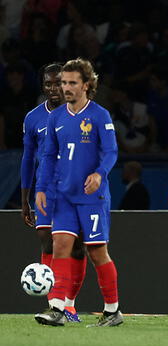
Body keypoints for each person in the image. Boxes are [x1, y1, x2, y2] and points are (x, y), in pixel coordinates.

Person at [35, 58, 121, 327]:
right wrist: (41, 187)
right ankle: (57, 307)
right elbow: (48, 156)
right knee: (60, 246)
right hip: (63, 196)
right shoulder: (56, 117)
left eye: (72, 83)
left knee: (97, 252)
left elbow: (111, 152)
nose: (66, 88)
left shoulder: (99, 115)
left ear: (86, 85)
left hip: (91, 198)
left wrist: (99, 174)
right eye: (63, 83)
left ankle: (112, 310)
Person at [21, 63, 87, 322]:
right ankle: (55, 305)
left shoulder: (83, 114)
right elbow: (28, 160)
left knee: (78, 248)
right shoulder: (33, 118)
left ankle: (69, 304)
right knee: (50, 242)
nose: (53, 89)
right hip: (46, 190)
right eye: (47, 84)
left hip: (75, 189)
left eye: (58, 83)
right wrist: (25, 199)